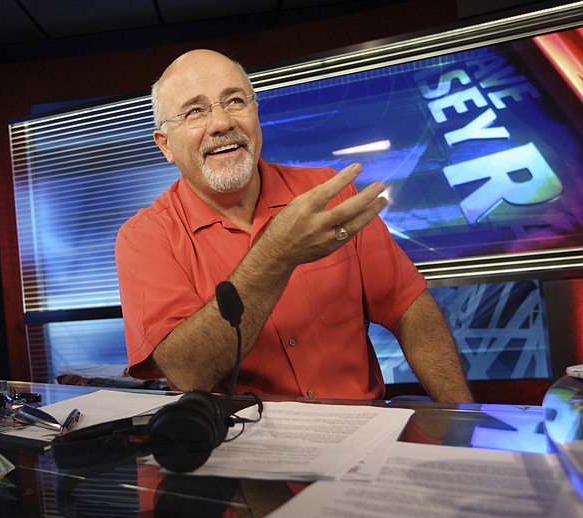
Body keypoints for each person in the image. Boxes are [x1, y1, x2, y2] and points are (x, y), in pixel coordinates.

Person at [115, 49, 474, 403]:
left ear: (255, 112)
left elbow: (409, 308)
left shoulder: (327, 193)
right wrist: (276, 256)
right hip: (243, 448)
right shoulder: (145, 237)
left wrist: (464, 418)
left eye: (235, 101)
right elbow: (187, 372)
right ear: (165, 145)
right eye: (195, 111)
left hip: (361, 435)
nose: (222, 123)